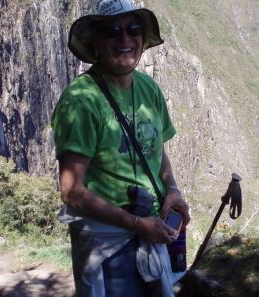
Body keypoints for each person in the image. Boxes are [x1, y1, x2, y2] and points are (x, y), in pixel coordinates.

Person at [51, 0, 190, 296]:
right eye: (112, 31)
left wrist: (173, 191)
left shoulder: (148, 89)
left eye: (133, 29)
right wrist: (136, 224)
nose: (125, 38)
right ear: (96, 44)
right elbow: (71, 191)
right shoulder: (81, 100)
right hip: (109, 242)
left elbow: (157, 151)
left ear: (143, 38)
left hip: (152, 230)